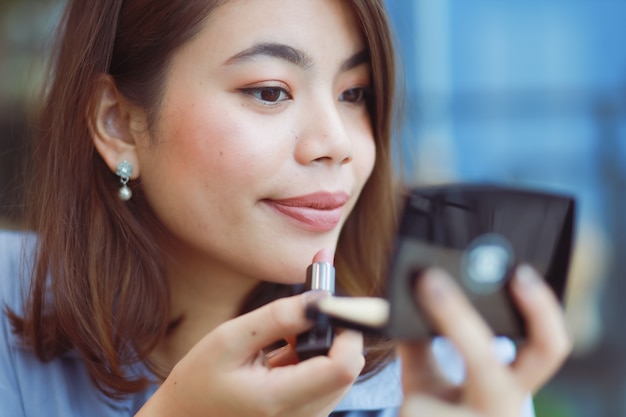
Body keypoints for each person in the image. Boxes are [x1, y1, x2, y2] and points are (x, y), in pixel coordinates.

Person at [0, 0, 570, 416]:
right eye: (271, 91)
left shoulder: (448, 364)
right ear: (118, 123)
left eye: (354, 94)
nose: (338, 142)